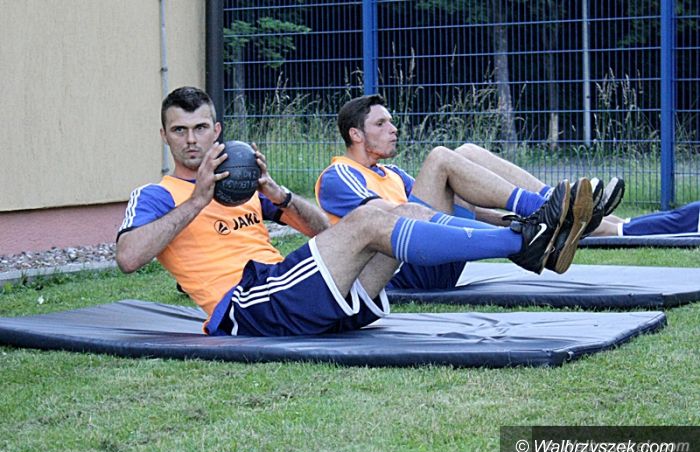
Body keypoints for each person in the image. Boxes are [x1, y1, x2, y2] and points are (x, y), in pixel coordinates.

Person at [116, 86, 584, 338]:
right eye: (180, 131)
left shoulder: (240, 188)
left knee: (407, 211)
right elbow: (128, 257)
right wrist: (197, 200)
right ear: (164, 136)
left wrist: (279, 195)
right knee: (374, 216)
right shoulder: (157, 195)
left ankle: (529, 236)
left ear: (217, 130)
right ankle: (523, 240)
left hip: (295, 292)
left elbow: (324, 231)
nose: (192, 140)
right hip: (248, 305)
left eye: (201, 128)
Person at [315, 94, 600, 293]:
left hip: (436, 256)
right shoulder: (338, 175)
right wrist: (522, 234)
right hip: (398, 269)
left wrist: (517, 224)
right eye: (381, 124)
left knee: (467, 155)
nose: (394, 129)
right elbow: (392, 217)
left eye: (391, 121)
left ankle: (548, 213)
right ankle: (542, 210)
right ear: (355, 134)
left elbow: (449, 211)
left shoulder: (393, 173)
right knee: (440, 158)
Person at [592, 201, 700, 236]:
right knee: (618, 229)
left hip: (695, 213)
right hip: (695, 221)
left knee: (624, 224)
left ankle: (587, 219)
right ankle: (585, 225)